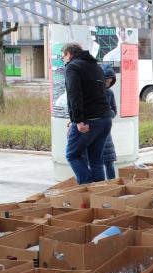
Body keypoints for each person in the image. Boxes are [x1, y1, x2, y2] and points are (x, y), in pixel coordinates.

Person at [62, 42, 113, 184]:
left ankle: (88, 188)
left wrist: (77, 121)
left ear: (69, 54)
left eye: (63, 57)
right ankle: (100, 195)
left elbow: (74, 95)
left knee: (72, 155)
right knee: (96, 160)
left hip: (88, 121)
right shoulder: (96, 66)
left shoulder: (72, 67)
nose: (63, 60)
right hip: (105, 119)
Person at [102, 64, 117, 180]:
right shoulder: (94, 92)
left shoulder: (110, 93)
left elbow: (114, 111)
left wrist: (108, 113)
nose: (108, 84)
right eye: (106, 81)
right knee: (96, 163)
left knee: (109, 162)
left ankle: (112, 185)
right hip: (95, 131)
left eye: (110, 82)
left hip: (106, 131)